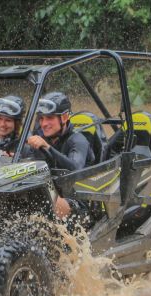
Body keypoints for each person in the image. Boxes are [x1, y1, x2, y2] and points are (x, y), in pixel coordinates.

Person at [27, 91, 94, 220]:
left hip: (79, 202)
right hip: (50, 194)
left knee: (48, 204)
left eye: (50, 118)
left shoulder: (78, 140)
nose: (44, 123)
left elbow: (75, 168)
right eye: (41, 118)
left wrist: (48, 147)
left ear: (64, 118)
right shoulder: (42, 139)